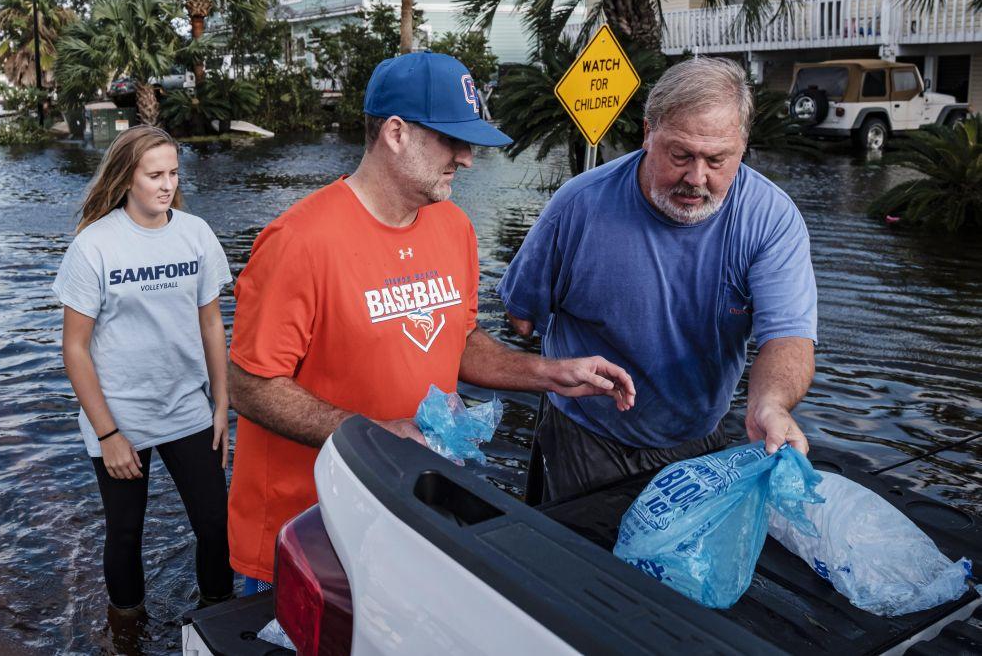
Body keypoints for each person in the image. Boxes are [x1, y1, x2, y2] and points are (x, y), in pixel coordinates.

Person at [226, 51, 637, 587]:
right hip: (304, 533)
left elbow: (457, 338)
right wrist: (369, 435)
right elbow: (249, 386)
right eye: (451, 140)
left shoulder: (454, 227)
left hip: (405, 513)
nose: (467, 158)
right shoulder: (300, 242)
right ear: (395, 133)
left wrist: (551, 374)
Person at [498, 57, 818, 504]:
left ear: (743, 146)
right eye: (681, 155)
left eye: (717, 160)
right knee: (578, 566)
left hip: (697, 439)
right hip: (585, 434)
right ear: (648, 133)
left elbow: (787, 336)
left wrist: (771, 405)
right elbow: (521, 317)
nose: (696, 177)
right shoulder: (580, 204)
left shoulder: (771, 219)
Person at [53, 125, 234, 615]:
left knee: (217, 524)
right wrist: (108, 433)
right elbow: (75, 348)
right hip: (120, 415)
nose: (167, 184)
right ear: (126, 177)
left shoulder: (196, 234)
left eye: (173, 173)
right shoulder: (95, 245)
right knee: (127, 530)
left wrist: (221, 403)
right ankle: (127, 630)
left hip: (186, 407)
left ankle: (217, 619)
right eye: (154, 174)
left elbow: (212, 323)